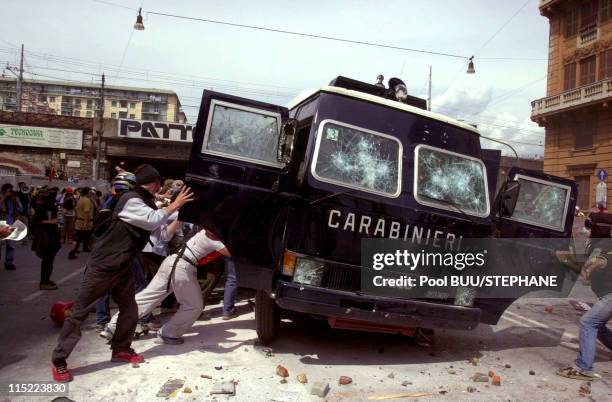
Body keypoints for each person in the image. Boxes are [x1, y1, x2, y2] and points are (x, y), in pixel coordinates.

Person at [51, 164, 194, 383]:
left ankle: (120, 349)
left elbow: (162, 235)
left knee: (129, 309)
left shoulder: (146, 204)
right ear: (154, 183)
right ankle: (59, 360)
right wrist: (175, 203)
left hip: (123, 266)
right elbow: (153, 220)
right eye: (159, 184)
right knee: (79, 313)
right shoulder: (131, 199)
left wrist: (181, 215)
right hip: (104, 265)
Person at [106, 227, 229, 345]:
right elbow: (231, 253)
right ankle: (169, 334)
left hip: (172, 261)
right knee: (194, 306)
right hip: (182, 267)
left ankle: (112, 327)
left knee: (147, 297)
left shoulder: (202, 232)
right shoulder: (215, 241)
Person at [556, 212, 612, 381]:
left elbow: (602, 260)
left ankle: (583, 367)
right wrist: (565, 259)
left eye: (589, 224)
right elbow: (582, 269)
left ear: (599, 228)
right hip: (608, 295)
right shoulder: (595, 244)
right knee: (597, 324)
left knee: (588, 322)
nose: (585, 228)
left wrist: (592, 265)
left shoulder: (606, 245)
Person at [31, 187, 61, 289]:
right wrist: (50, 222)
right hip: (45, 236)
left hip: (51, 235)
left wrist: (55, 221)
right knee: (47, 260)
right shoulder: (43, 206)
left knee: (49, 260)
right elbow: (35, 221)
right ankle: (44, 282)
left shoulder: (51, 206)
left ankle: (46, 279)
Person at [1, 183, 23, 271]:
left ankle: (9, 263)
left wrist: (15, 202)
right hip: (1, 222)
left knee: (10, 244)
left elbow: (21, 209)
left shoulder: (14, 198)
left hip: (10, 222)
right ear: (4, 191)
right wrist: (4, 197)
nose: (10, 192)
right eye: (9, 190)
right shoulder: (1, 197)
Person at [68, 188, 94, 259]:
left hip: (79, 220)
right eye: (89, 192)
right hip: (85, 222)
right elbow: (86, 212)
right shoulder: (87, 200)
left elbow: (76, 209)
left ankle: (77, 249)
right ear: (87, 192)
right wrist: (85, 222)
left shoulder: (80, 199)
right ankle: (72, 252)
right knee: (79, 237)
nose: (90, 193)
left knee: (78, 237)